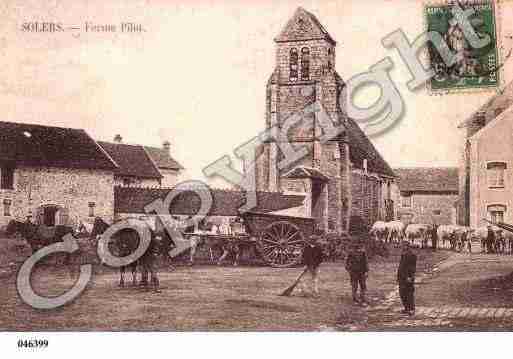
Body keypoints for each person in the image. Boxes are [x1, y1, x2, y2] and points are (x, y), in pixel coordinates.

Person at [397, 241, 417, 316]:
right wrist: (398, 277)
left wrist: (410, 277)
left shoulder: (412, 255)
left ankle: (411, 309)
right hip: (402, 277)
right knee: (402, 293)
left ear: (407, 246)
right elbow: (401, 267)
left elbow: (412, 267)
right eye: (402, 245)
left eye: (403, 245)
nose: (402, 247)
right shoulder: (403, 254)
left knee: (409, 294)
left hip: (408, 277)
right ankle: (406, 308)